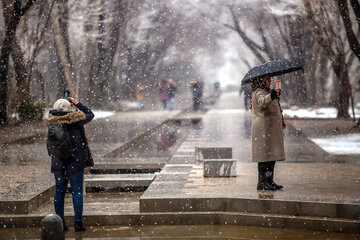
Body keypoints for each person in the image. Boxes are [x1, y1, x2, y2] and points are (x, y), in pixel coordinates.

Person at [46, 97, 94, 231]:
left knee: (59, 192)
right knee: (77, 191)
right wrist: (78, 104)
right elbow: (90, 114)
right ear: (69, 109)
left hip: (58, 161)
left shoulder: (51, 122)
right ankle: (78, 223)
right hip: (75, 161)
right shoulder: (76, 120)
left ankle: (60, 223)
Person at [250, 74, 285, 191]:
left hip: (269, 128)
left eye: (270, 79)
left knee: (271, 156)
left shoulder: (266, 91)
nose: (270, 81)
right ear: (261, 80)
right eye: (267, 79)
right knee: (264, 156)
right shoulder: (259, 92)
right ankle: (262, 183)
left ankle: (269, 181)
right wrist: (272, 95)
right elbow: (262, 102)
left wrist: (274, 95)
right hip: (263, 128)